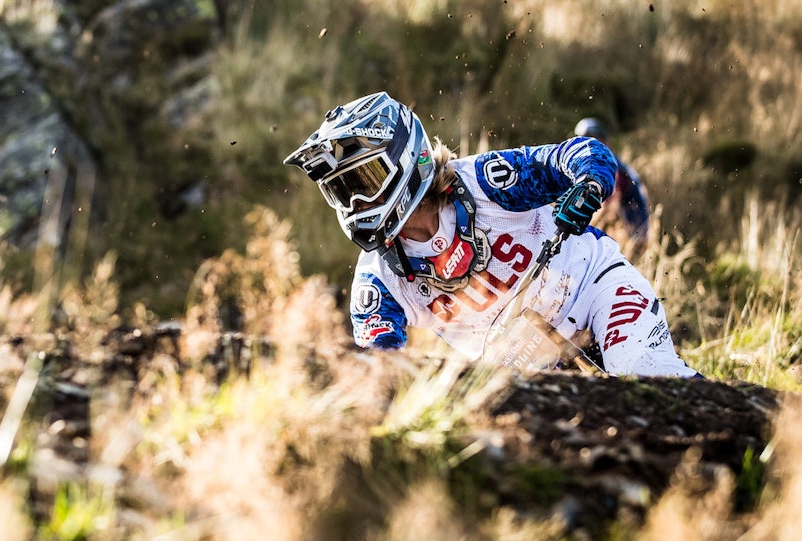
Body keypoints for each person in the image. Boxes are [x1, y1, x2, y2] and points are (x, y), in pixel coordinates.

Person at [284, 92, 699, 377]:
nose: (355, 203)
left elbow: (581, 152)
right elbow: (378, 369)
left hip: (594, 291)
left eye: (363, 180)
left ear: (406, 155)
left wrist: (589, 184)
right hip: (521, 367)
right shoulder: (378, 281)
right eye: (342, 190)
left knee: (645, 370)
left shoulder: (486, 182)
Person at [573, 117, 650, 255]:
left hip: (634, 228)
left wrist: (577, 228)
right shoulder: (608, 162)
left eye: (592, 140)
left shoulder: (611, 168)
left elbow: (609, 206)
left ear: (604, 141)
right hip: (630, 225)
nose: (586, 146)